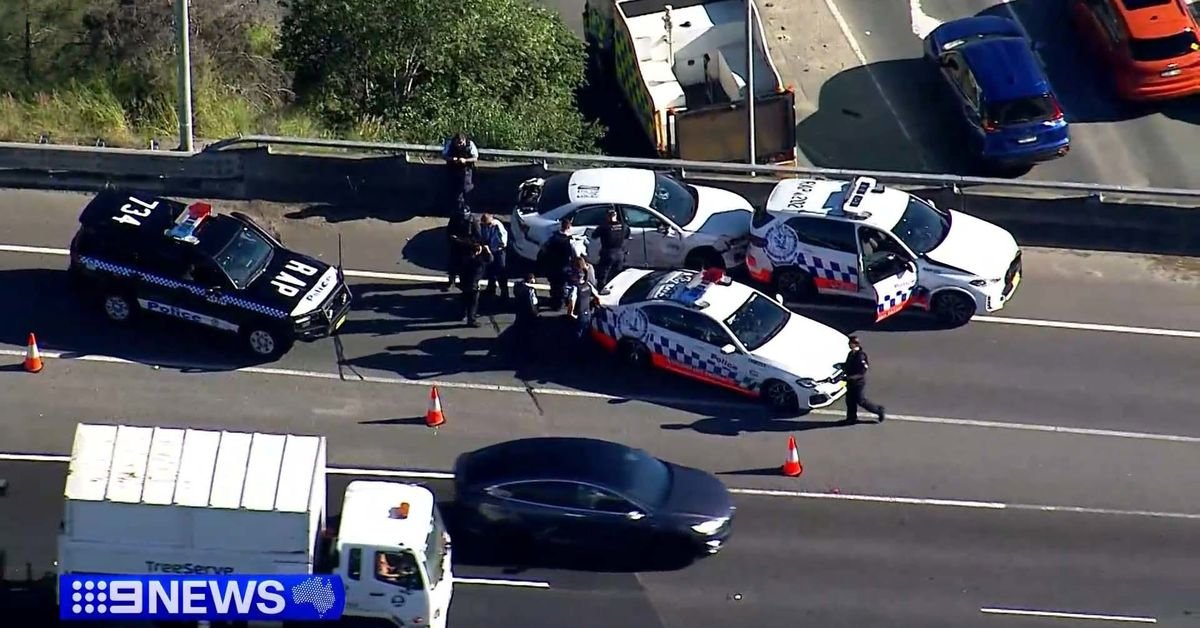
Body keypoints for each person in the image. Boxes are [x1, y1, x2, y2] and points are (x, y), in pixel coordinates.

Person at [843, 336, 886, 423]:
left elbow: (862, 371)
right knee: (850, 400)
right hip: (850, 381)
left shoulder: (860, 356)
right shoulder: (851, 353)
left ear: (855, 344)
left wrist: (851, 377)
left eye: (850, 343)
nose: (849, 345)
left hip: (858, 382)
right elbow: (848, 365)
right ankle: (851, 418)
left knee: (860, 400)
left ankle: (878, 410)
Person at [541, 217, 577, 311]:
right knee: (562, 286)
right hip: (564, 267)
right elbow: (574, 254)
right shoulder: (569, 241)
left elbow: (544, 248)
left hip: (552, 266)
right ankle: (559, 304)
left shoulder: (553, 238)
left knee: (554, 285)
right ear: (569, 227)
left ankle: (554, 301)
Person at [590, 208, 629, 289]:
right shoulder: (624, 226)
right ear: (616, 216)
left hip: (608, 253)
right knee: (617, 275)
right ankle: (616, 290)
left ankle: (602, 289)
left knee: (603, 274)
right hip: (620, 253)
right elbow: (627, 235)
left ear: (607, 216)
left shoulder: (604, 227)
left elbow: (594, 236)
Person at [444, 203, 480, 292]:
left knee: (465, 267)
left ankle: (463, 282)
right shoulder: (455, 219)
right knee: (452, 265)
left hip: (468, 247)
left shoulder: (473, 221)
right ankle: (451, 281)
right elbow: (449, 231)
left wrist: (469, 243)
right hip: (456, 246)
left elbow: (477, 236)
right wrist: (452, 239)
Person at [441, 133, 479, 214]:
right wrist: (452, 159)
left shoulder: (470, 144)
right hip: (453, 169)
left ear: (464, 140)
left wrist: (465, 160)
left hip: (466, 169)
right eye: (457, 143)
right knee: (454, 189)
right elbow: (444, 156)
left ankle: (466, 207)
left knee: (466, 188)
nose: (459, 145)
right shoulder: (450, 144)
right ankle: (456, 208)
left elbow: (475, 158)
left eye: (461, 143)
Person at [459, 242, 493, 327]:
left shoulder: (465, 259)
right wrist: (488, 250)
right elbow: (490, 259)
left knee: (464, 300)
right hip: (473, 285)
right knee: (473, 303)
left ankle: (462, 314)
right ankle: (471, 320)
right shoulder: (478, 262)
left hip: (465, 282)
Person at [480, 213, 509, 303]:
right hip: (490, 250)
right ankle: (491, 288)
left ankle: (504, 294)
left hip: (498, 251)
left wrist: (494, 247)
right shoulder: (484, 226)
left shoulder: (497, 226)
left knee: (501, 272)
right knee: (490, 270)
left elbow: (503, 241)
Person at [566, 256, 597, 337]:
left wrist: (571, 314)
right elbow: (597, 296)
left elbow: (572, 302)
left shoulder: (576, 288)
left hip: (579, 315)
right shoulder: (588, 284)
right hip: (588, 314)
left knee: (577, 334)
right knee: (586, 332)